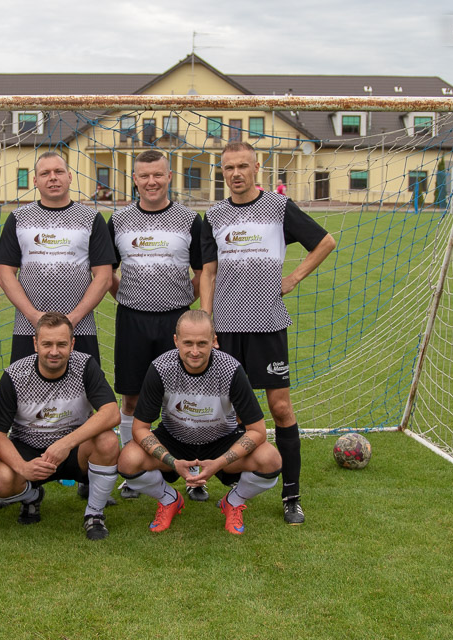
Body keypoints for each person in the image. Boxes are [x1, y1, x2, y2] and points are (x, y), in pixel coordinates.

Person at [200, 141, 336, 525]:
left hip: (268, 324)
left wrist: (293, 278)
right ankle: (231, 484)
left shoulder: (278, 207)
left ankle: (291, 496)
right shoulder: (214, 216)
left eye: (243, 166)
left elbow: (325, 242)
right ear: (222, 172)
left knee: (279, 408)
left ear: (256, 168)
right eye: (229, 168)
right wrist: (207, 321)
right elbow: (208, 273)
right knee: (224, 411)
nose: (236, 173)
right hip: (226, 327)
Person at [118, 310, 282, 534]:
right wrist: (172, 461)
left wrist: (219, 462)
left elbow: (258, 431)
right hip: (175, 439)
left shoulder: (231, 369)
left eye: (202, 343)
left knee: (270, 459)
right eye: (188, 343)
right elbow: (139, 428)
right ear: (176, 341)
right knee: (128, 459)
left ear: (214, 341)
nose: (194, 351)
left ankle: (233, 502)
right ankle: (169, 499)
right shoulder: (161, 368)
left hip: (221, 440)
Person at [107, 149, 204, 500]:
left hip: (176, 321)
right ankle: (135, 474)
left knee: (186, 398)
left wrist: (181, 301)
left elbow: (202, 273)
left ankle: (195, 473)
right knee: (132, 399)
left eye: (158, 175)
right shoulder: (118, 220)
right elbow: (106, 273)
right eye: (144, 176)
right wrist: (129, 297)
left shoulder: (190, 219)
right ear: (134, 179)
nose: (151, 181)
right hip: (132, 319)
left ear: (169, 177)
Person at [0, 312, 120, 540]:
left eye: (62, 344)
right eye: (47, 344)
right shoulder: (15, 375)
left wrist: (66, 444)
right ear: (35, 343)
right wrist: (22, 467)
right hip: (29, 448)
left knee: (108, 441)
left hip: (74, 449)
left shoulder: (85, 365)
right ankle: (32, 496)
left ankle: (94, 514)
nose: (54, 351)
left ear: (72, 344)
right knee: (0, 481)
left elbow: (111, 412)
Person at [0, 152, 114, 364]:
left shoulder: (91, 218)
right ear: (35, 181)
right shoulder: (18, 218)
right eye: (45, 173)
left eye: (58, 171)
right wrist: (33, 316)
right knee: (25, 384)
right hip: (29, 328)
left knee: (83, 384)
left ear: (70, 176)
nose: (53, 177)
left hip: (80, 328)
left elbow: (104, 277)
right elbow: (4, 275)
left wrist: (73, 318)